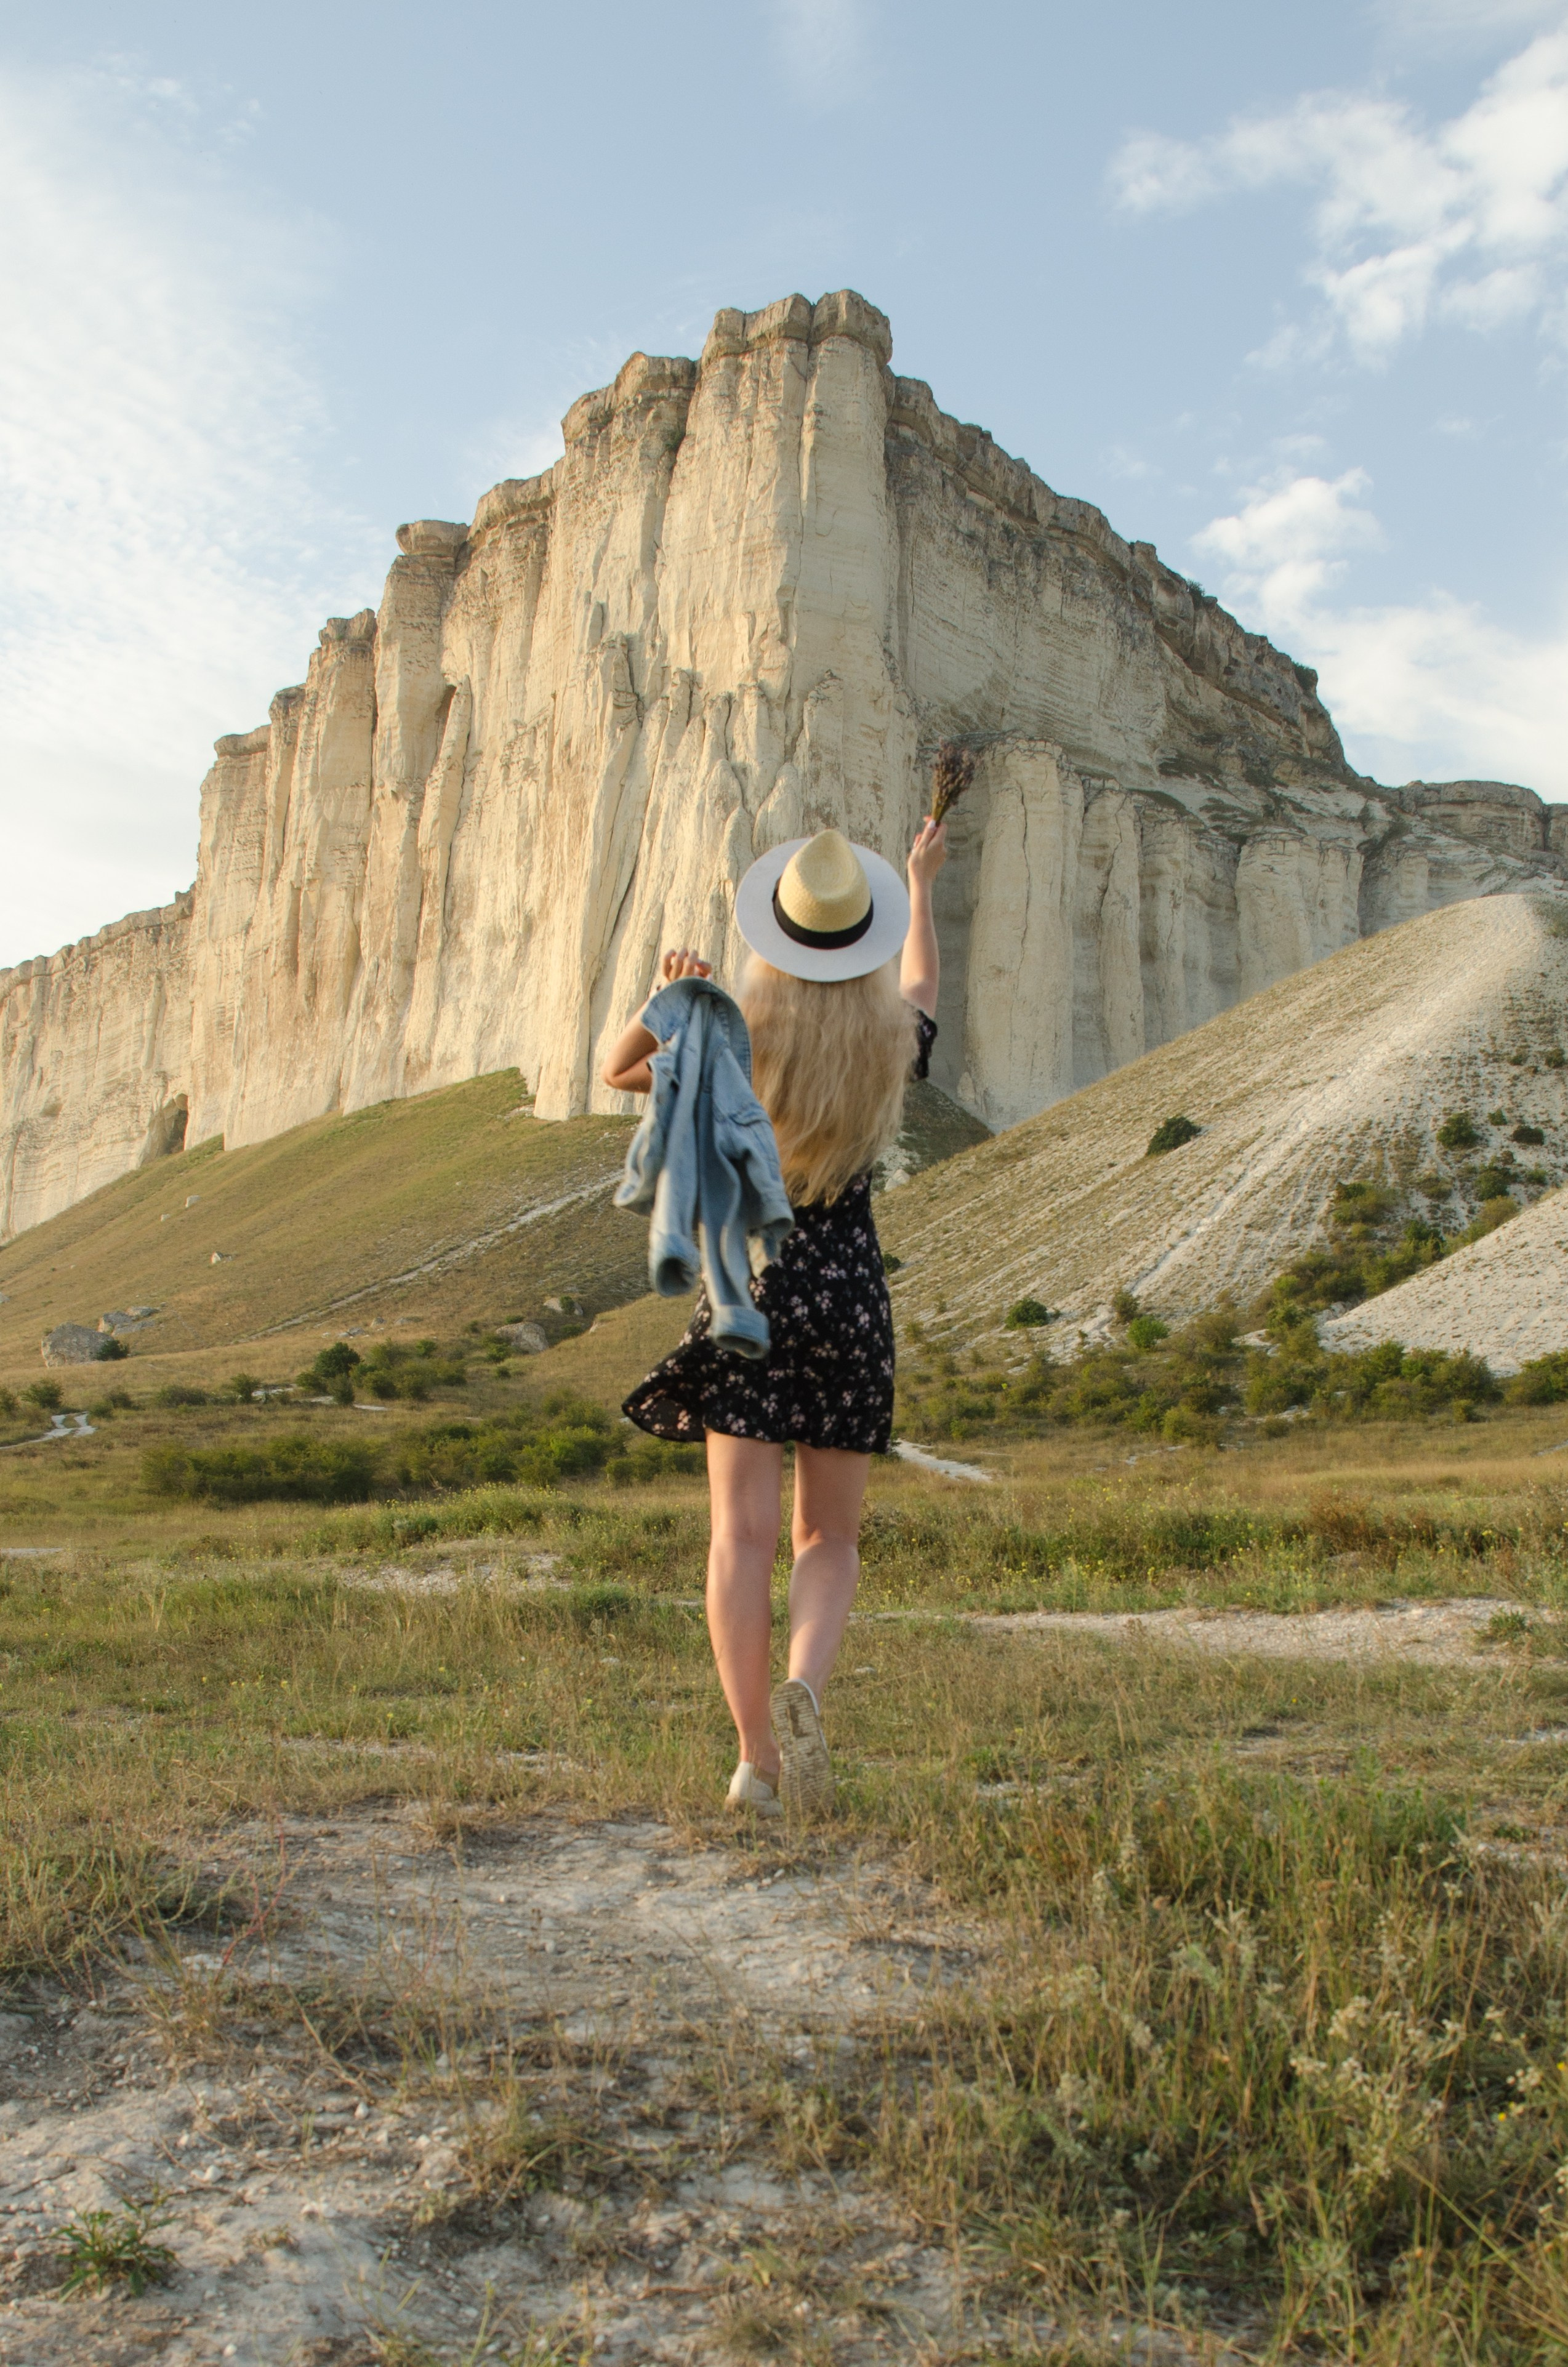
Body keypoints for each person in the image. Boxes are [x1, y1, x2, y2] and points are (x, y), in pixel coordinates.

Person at [601, 814, 949, 1817]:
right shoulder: (890, 1039)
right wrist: (921, 883)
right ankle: (806, 1686)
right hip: (848, 1293)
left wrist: (675, 992)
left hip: (749, 1290)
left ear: (777, 935)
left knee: (739, 1538)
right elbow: (923, 986)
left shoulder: (732, 1034)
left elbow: (620, 1071)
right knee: (825, 1538)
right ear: (861, 936)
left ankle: (758, 1754)